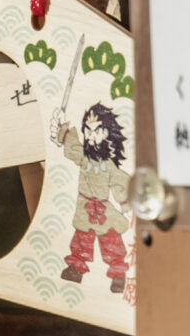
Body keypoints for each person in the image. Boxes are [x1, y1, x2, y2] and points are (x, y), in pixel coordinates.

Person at [55, 100, 133, 294]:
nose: (90, 136)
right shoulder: (84, 157)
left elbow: (119, 180)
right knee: (82, 239)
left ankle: (118, 274)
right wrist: (62, 129)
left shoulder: (108, 164)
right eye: (87, 131)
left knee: (111, 240)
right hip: (85, 206)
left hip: (104, 210)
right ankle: (76, 269)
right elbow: (72, 148)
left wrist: (124, 201)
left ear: (106, 133)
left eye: (96, 130)